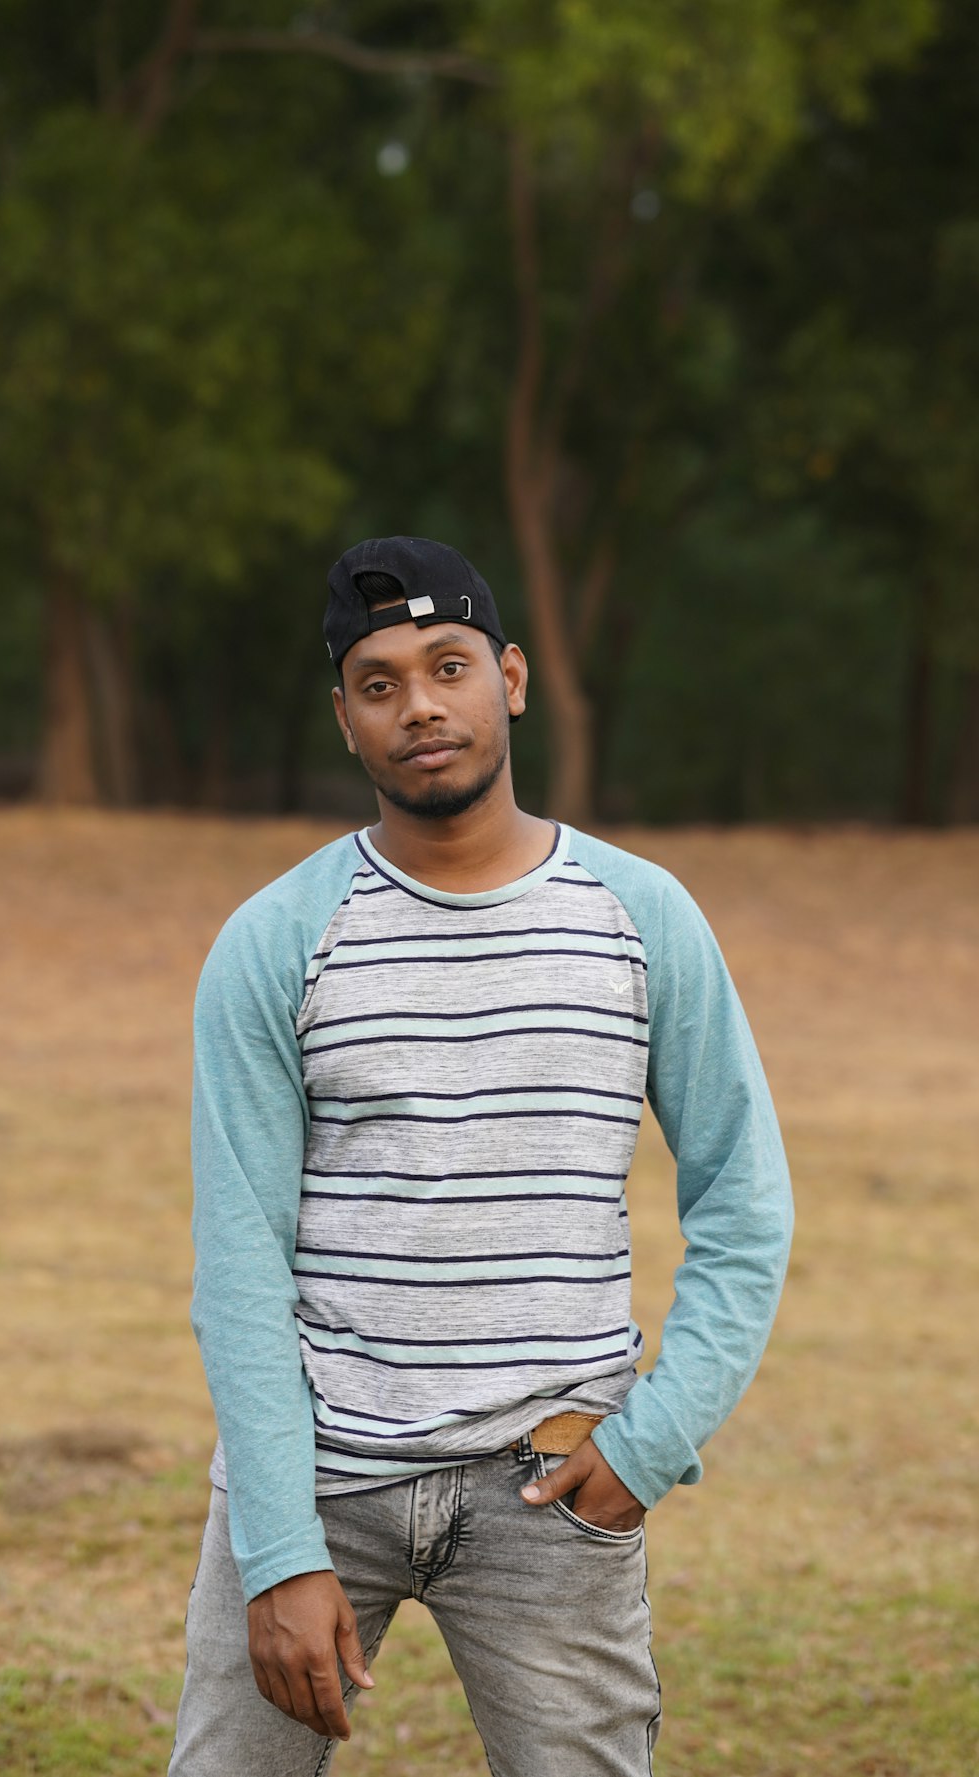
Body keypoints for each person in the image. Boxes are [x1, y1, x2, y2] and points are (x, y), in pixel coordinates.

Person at [168, 535, 793, 1777]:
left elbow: (742, 1198)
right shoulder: (278, 940)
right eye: (381, 681)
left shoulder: (640, 916)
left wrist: (650, 1438)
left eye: (447, 665)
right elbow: (240, 1258)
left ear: (508, 677)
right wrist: (280, 1545)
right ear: (345, 718)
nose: (421, 706)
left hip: (550, 1478)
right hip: (316, 1477)